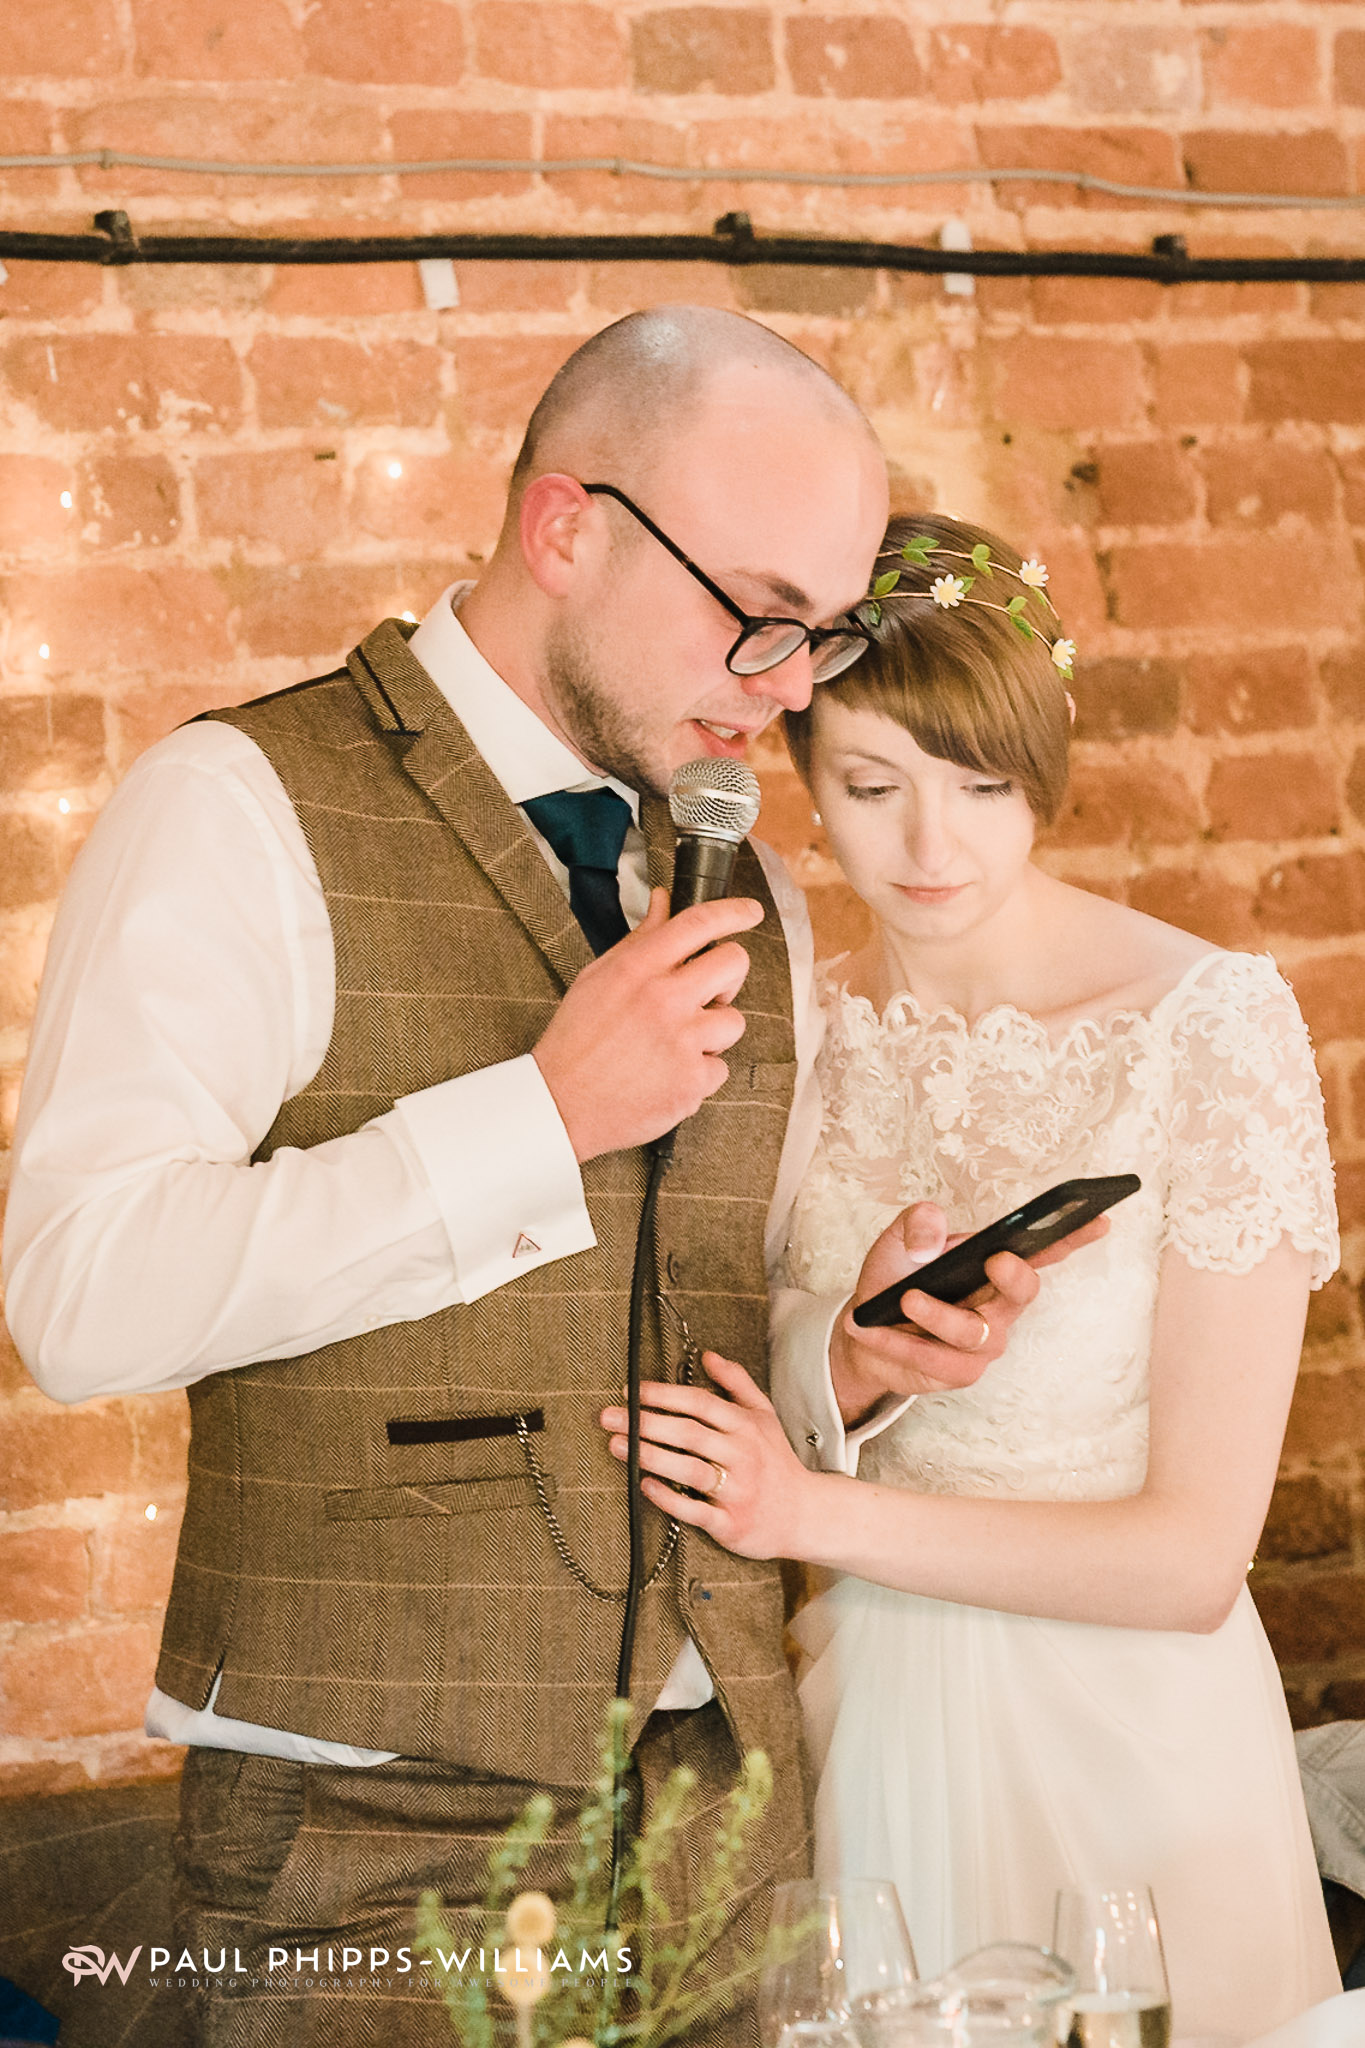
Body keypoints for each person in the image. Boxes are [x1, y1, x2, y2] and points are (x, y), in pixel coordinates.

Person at [3, 316, 1074, 2048]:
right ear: (564, 526)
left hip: (721, 1810)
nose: (790, 683)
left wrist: (842, 1360)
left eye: (822, 630)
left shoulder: (753, 895)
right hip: (367, 1834)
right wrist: (534, 1115)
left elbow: (681, 1315)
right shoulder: (235, 809)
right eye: (755, 611)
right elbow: (80, 1296)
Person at [603, 510, 1343, 2039]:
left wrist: (808, 1512)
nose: (928, 849)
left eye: (981, 790)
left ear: (1044, 779)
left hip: (1141, 1752)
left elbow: (1192, 1560)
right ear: (804, 770)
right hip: (860, 1720)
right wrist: (854, 1353)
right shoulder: (784, 1021)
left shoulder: (1204, 1026)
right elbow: (716, 1352)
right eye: (872, 789)